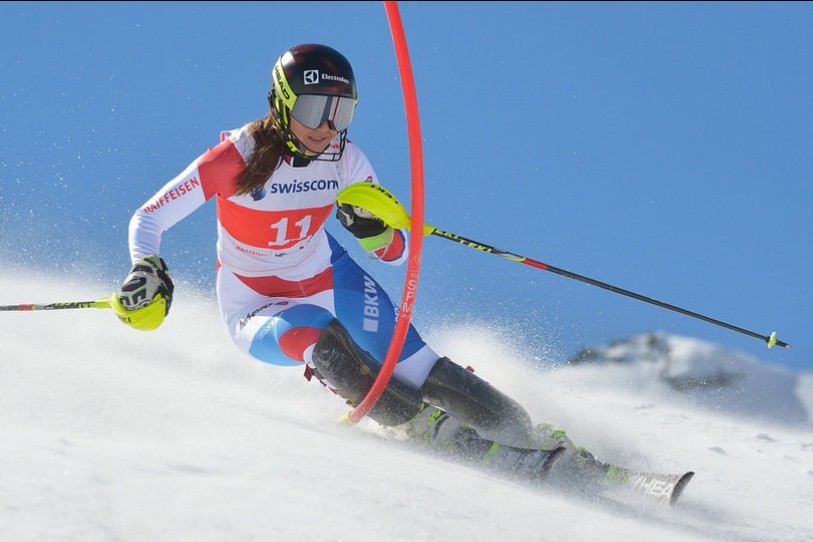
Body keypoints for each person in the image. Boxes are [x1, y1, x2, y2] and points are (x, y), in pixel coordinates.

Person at [111, 43, 619, 488]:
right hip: (256, 303)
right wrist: (146, 267)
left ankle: (527, 434)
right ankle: (429, 431)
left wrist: (373, 231)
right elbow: (148, 216)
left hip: (330, 276)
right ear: (284, 104)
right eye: (315, 110)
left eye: (342, 112)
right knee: (318, 337)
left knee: (418, 364)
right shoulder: (236, 158)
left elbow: (395, 252)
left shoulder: (347, 161)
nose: (328, 127)